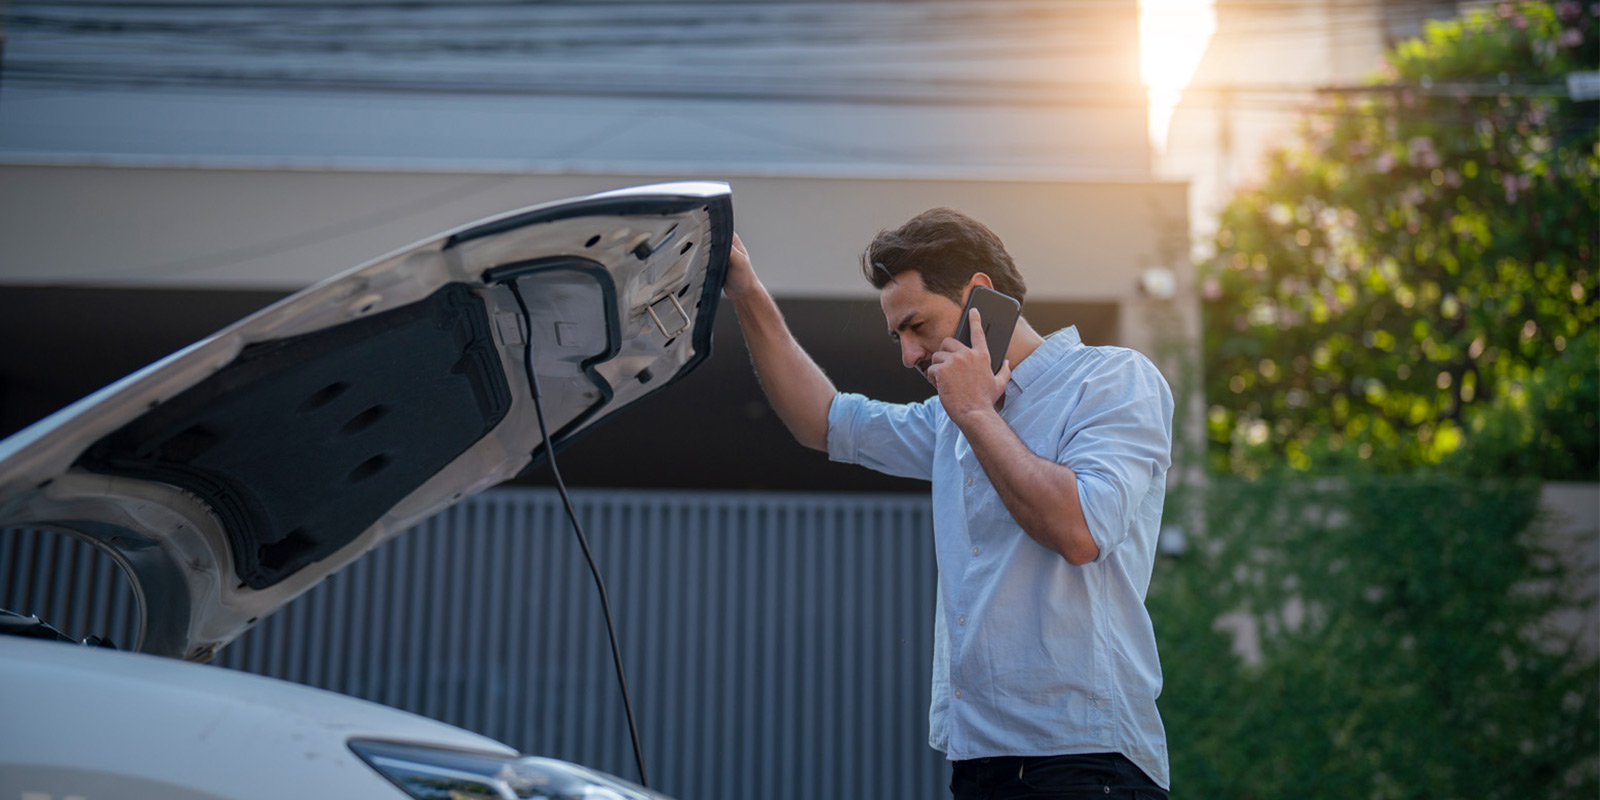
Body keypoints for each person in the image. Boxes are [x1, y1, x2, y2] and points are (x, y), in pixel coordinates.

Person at [722, 208, 1174, 799]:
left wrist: (976, 412)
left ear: (979, 298)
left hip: (1086, 761)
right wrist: (747, 291)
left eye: (918, 325)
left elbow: (1079, 528)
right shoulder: (950, 420)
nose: (909, 355)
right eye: (899, 337)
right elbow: (823, 421)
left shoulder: (1112, 379)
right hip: (979, 765)